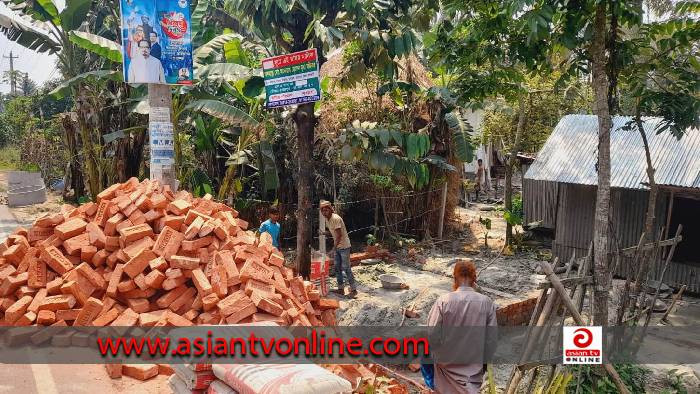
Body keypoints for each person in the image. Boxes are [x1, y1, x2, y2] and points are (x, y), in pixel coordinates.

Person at [425, 259, 498, 394]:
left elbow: (432, 335)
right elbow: (491, 341)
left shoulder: (443, 301)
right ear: (474, 279)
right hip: (473, 370)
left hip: (445, 366)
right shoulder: (487, 303)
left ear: (454, 278)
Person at [320, 200, 356, 298]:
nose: (324, 212)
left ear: (330, 209)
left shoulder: (335, 218)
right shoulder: (328, 219)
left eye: (326, 210)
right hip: (338, 247)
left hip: (344, 246)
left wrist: (333, 249)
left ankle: (354, 290)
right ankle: (341, 289)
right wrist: (324, 233)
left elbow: (339, 235)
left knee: (346, 268)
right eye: (322, 210)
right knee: (337, 268)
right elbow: (333, 232)